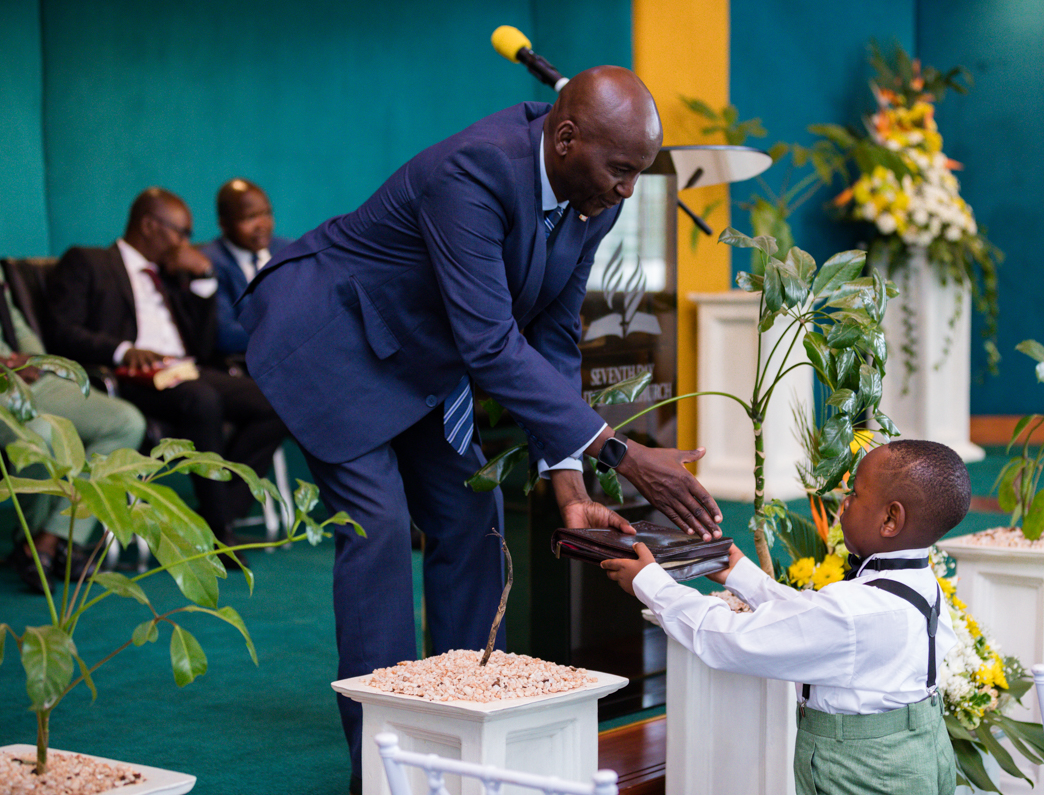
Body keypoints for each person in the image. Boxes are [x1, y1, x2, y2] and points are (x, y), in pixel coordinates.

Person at [239, 66, 723, 792]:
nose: (628, 191)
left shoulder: (599, 194)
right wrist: (621, 453)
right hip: (333, 339)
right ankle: (385, 763)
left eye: (638, 175)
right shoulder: (471, 172)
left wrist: (569, 479)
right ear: (565, 138)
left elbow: (554, 336)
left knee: (473, 513)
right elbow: (492, 345)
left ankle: (457, 722)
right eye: (621, 171)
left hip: (421, 355)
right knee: (377, 525)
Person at [603, 439, 971, 795]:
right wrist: (741, 574)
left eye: (855, 494)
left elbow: (730, 639)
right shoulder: (918, 582)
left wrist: (651, 584)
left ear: (890, 519)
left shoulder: (854, 613)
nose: (844, 503)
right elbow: (814, 620)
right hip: (921, 746)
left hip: (867, 768)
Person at [45, 187, 289, 564]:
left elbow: (205, 347)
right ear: (148, 226)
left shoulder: (173, 275)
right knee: (202, 398)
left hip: (186, 370)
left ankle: (216, 513)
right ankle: (219, 533)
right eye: (182, 232)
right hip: (127, 376)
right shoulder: (89, 261)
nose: (186, 243)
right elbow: (61, 330)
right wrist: (124, 349)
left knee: (278, 400)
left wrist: (205, 279)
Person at [1, 261, 146, 593]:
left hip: (25, 378)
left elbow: (15, 321)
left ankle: (50, 539)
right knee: (39, 436)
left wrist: (33, 360)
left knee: (126, 423)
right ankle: (38, 542)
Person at [199, 179, 291, 357]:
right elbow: (225, 335)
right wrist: (285, 332)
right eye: (250, 217)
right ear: (224, 224)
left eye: (266, 213)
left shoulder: (289, 250)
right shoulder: (210, 263)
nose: (262, 225)